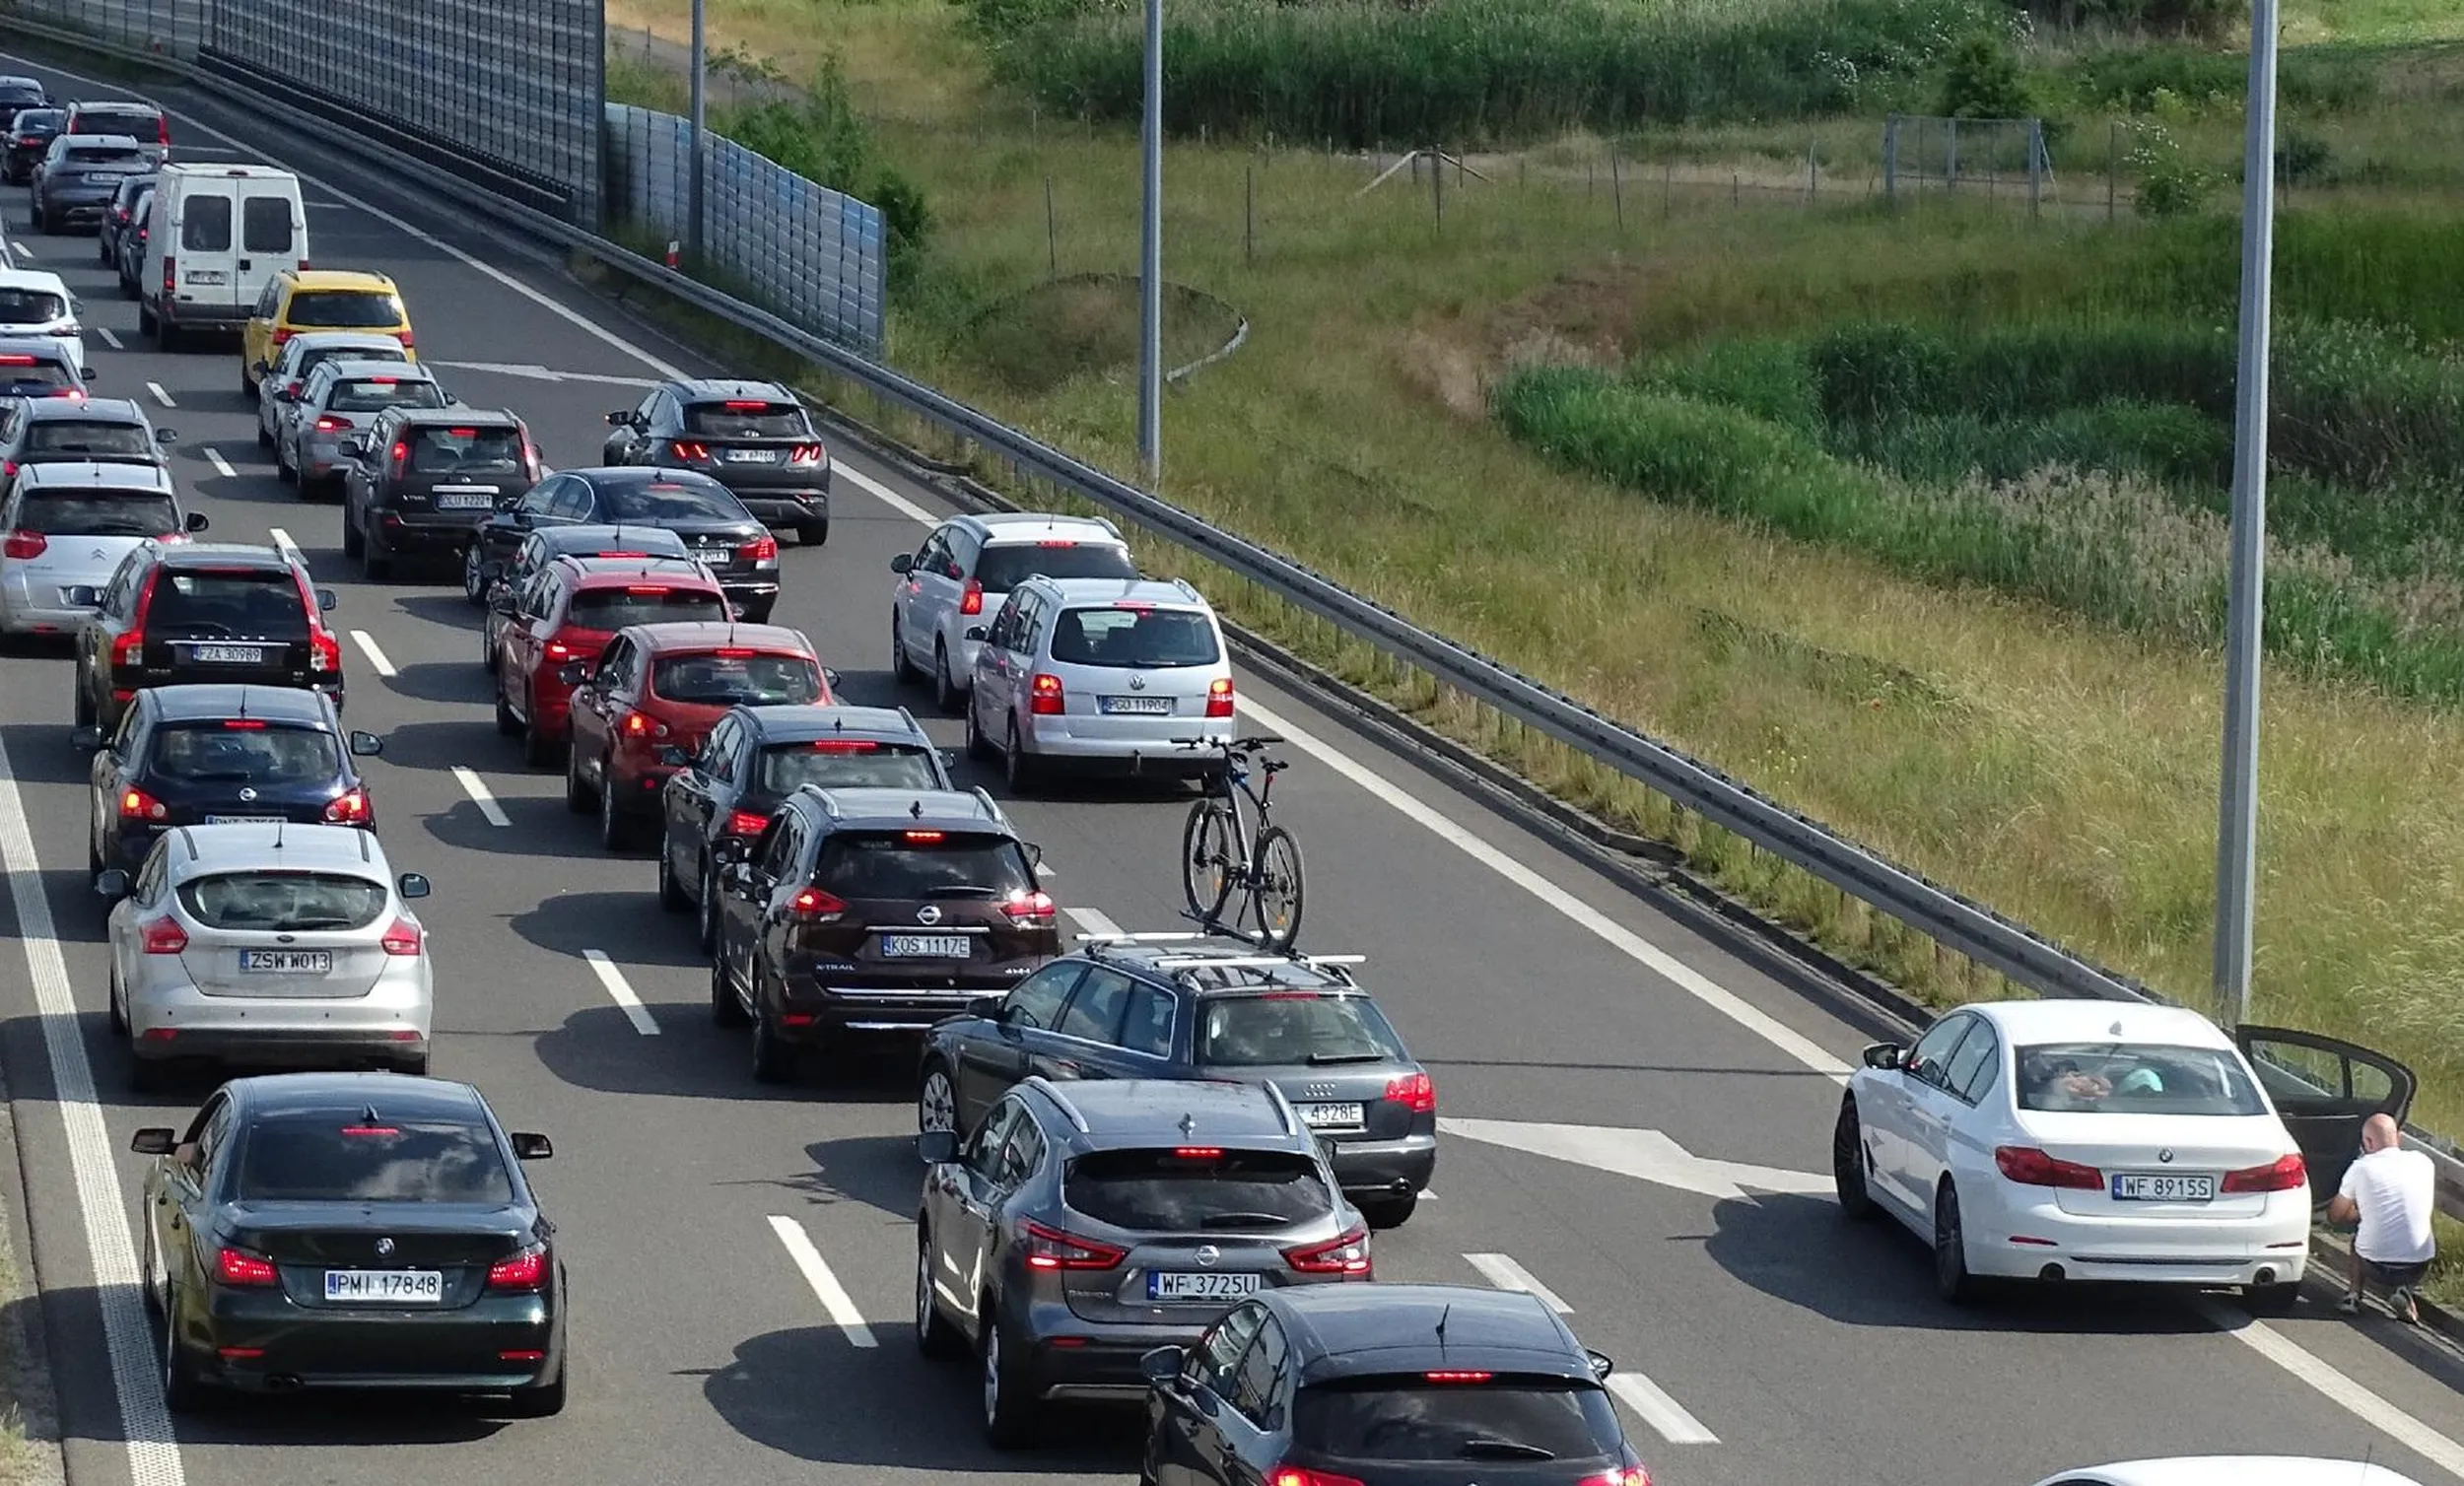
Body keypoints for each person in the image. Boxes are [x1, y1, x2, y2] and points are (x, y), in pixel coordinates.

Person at [2327, 1114, 2436, 1323]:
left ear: (2367, 1142)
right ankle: (2404, 1290)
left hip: (2376, 1265)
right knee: (2413, 1227)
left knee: (2360, 1236)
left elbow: (2336, 1215)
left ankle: (2353, 1295)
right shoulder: (2424, 1162)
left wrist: (2360, 1212)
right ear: (2399, 1137)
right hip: (2418, 1266)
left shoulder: (2361, 1168)